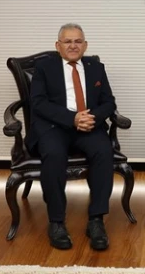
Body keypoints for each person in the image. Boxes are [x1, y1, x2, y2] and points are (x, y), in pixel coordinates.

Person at [28, 23, 116, 251]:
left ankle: (96, 220)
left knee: (104, 151)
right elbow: (38, 103)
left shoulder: (96, 67)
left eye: (78, 41)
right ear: (58, 45)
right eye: (68, 41)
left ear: (85, 45)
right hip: (54, 127)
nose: (73, 46)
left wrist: (91, 117)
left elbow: (109, 102)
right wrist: (72, 118)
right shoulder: (44, 68)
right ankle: (56, 222)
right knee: (54, 154)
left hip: (88, 125)